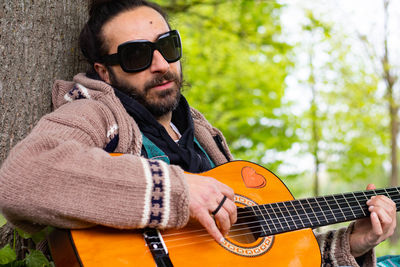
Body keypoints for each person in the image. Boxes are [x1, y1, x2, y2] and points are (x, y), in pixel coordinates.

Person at [0, 0, 396, 266]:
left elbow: (254, 256)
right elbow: (24, 179)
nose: (160, 64)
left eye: (167, 46)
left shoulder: (206, 137)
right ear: (105, 71)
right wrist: (179, 191)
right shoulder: (96, 113)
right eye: (136, 55)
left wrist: (350, 244)